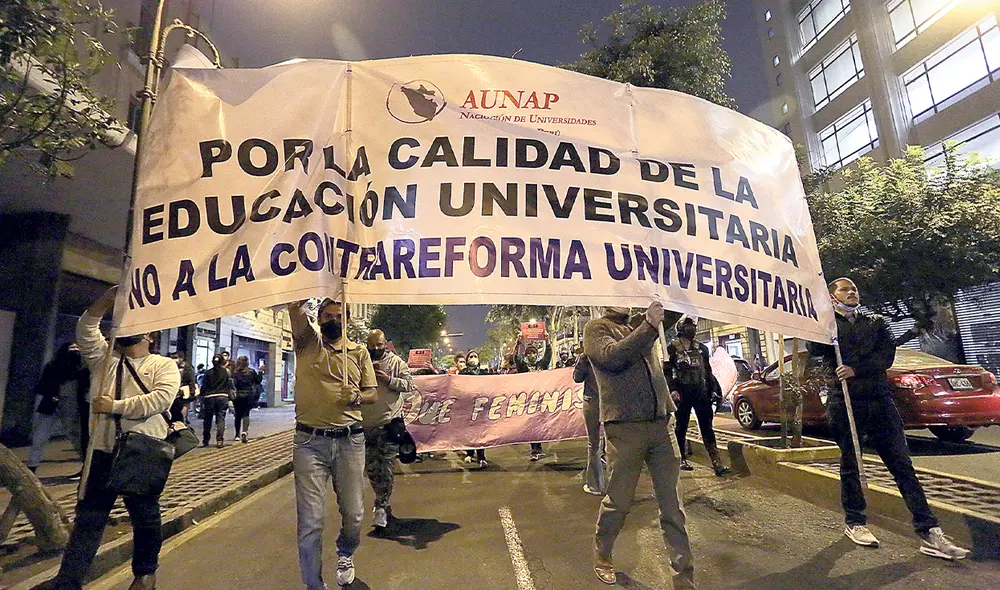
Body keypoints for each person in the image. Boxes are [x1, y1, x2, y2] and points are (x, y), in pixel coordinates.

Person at [808, 278, 968, 560]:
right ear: (832, 297)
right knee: (852, 464)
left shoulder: (876, 322)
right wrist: (819, 322)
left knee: (902, 465)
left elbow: (886, 357)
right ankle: (855, 522)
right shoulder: (828, 326)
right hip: (845, 402)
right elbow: (815, 350)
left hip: (880, 401)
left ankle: (929, 531)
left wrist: (855, 368)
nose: (852, 292)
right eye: (845, 289)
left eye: (854, 289)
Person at [41, 286, 179, 590]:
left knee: (145, 517)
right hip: (102, 452)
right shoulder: (103, 359)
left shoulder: (163, 365)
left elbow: (160, 400)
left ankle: (145, 574)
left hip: (142, 452)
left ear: (150, 335)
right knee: (88, 519)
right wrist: (107, 299)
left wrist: (114, 406)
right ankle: (69, 581)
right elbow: (86, 330)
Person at [585, 302, 694, 588]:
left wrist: (676, 294)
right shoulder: (596, 329)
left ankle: (684, 578)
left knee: (673, 508)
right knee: (619, 502)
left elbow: (673, 308)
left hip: (661, 426)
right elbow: (613, 357)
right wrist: (648, 325)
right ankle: (603, 552)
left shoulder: (641, 321)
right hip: (625, 429)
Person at [288, 298, 377, 589]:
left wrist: (358, 396)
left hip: (350, 441)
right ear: (319, 318)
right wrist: (299, 299)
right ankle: (313, 584)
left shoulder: (359, 352)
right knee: (311, 522)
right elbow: (296, 312)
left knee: (354, 513)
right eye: (328, 316)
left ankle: (345, 552)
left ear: (347, 321)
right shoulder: (307, 343)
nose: (334, 321)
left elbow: (372, 393)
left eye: (339, 317)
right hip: (309, 443)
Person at [361, 329, 413, 530]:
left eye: (379, 345)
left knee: (386, 468)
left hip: (388, 424)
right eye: (371, 345)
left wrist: (388, 380)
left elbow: (409, 385)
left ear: (385, 344)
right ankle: (381, 499)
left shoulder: (396, 363)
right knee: (372, 469)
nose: (375, 349)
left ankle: (381, 506)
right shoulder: (360, 361)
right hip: (365, 426)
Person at [666, 317, 729, 477]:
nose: (692, 329)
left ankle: (716, 462)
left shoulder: (702, 349)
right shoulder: (671, 349)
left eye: (692, 326)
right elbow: (667, 373)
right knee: (681, 426)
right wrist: (672, 390)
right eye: (688, 326)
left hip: (701, 392)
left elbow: (707, 371)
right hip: (682, 393)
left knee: (707, 427)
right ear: (681, 329)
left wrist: (713, 389)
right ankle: (681, 458)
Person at [573, 353, 605, 495]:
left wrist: (581, 361)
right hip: (611, 398)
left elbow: (577, 378)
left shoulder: (587, 356)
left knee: (594, 443)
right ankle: (619, 486)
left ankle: (595, 485)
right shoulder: (611, 351)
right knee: (615, 441)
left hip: (592, 400)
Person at [515, 339, 552, 461]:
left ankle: (538, 447)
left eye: (533, 353)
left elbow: (548, 356)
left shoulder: (541, 365)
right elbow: (517, 358)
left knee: (540, 425)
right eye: (529, 353)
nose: (531, 355)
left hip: (541, 399)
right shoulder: (523, 367)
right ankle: (535, 449)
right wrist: (518, 343)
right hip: (528, 400)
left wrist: (547, 341)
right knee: (532, 425)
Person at [459, 350, 491, 468]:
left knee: (480, 432)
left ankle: (481, 456)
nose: (473, 358)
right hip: (468, 406)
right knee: (469, 431)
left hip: (482, 406)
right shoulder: (463, 373)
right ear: (467, 360)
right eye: (471, 357)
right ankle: (470, 453)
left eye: (475, 356)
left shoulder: (484, 373)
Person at [199, 354, 232, 448]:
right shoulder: (226, 372)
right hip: (222, 396)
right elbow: (229, 384)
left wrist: (201, 396)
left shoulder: (208, 373)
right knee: (220, 418)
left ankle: (206, 440)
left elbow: (204, 386)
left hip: (209, 397)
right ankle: (220, 440)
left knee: (207, 419)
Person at [231, 356, 262, 443]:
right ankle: (244, 431)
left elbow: (232, 383)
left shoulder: (234, 372)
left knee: (237, 415)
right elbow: (258, 381)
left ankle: (237, 435)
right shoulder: (251, 371)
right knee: (246, 414)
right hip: (248, 395)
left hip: (238, 395)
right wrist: (260, 372)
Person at [168, 353, 198, 425]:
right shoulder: (172, 366)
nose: (174, 359)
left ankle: (181, 420)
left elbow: (191, 379)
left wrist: (192, 390)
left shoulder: (188, 367)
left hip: (184, 390)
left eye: (175, 357)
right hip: (175, 389)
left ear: (181, 358)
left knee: (184, 405)